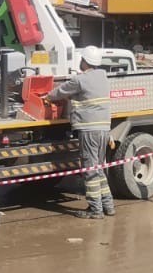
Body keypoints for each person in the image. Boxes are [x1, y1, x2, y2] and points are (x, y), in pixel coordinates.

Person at [47, 46, 114, 219]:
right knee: (98, 168)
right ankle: (108, 205)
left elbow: (59, 92)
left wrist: (47, 97)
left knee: (90, 169)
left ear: (84, 61)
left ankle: (95, 210)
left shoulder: (80, 80)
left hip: (89, 129)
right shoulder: (103, 77)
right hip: (104, 128)